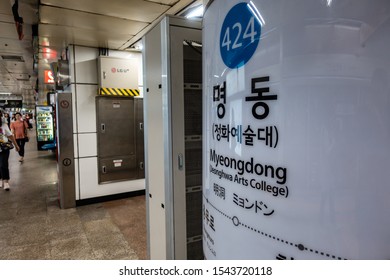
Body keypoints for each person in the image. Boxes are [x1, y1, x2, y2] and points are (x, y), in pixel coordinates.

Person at [0, 112, 19, 191]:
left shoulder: (3, 125)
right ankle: (0, 179)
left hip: (4, 148)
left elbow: (10, 135)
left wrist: (16, 145)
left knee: (3, 164)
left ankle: (6, 181)